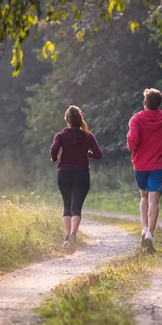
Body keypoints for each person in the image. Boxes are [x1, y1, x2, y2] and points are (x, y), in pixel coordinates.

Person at [127, 88, 162, 253]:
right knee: (154, 200)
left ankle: (144, 227)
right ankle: (150, 233)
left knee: (144, 196)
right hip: (157, 165)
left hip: (140, 166)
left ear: (144, 103)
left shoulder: (136, 118)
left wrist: (132, 146)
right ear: (159, 103)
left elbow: (132, 140)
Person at [50, 105, 102, 254]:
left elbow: (53, 150)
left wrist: (55, 158)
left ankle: (66, 237)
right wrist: (87, 153)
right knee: (76, 207)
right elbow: (98, 154)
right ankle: (73, 235)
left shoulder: (60, 135)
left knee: (67, 205)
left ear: (67, 119)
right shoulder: (88, 136)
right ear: (80, 119)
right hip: (82, 174)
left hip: (64, 174)